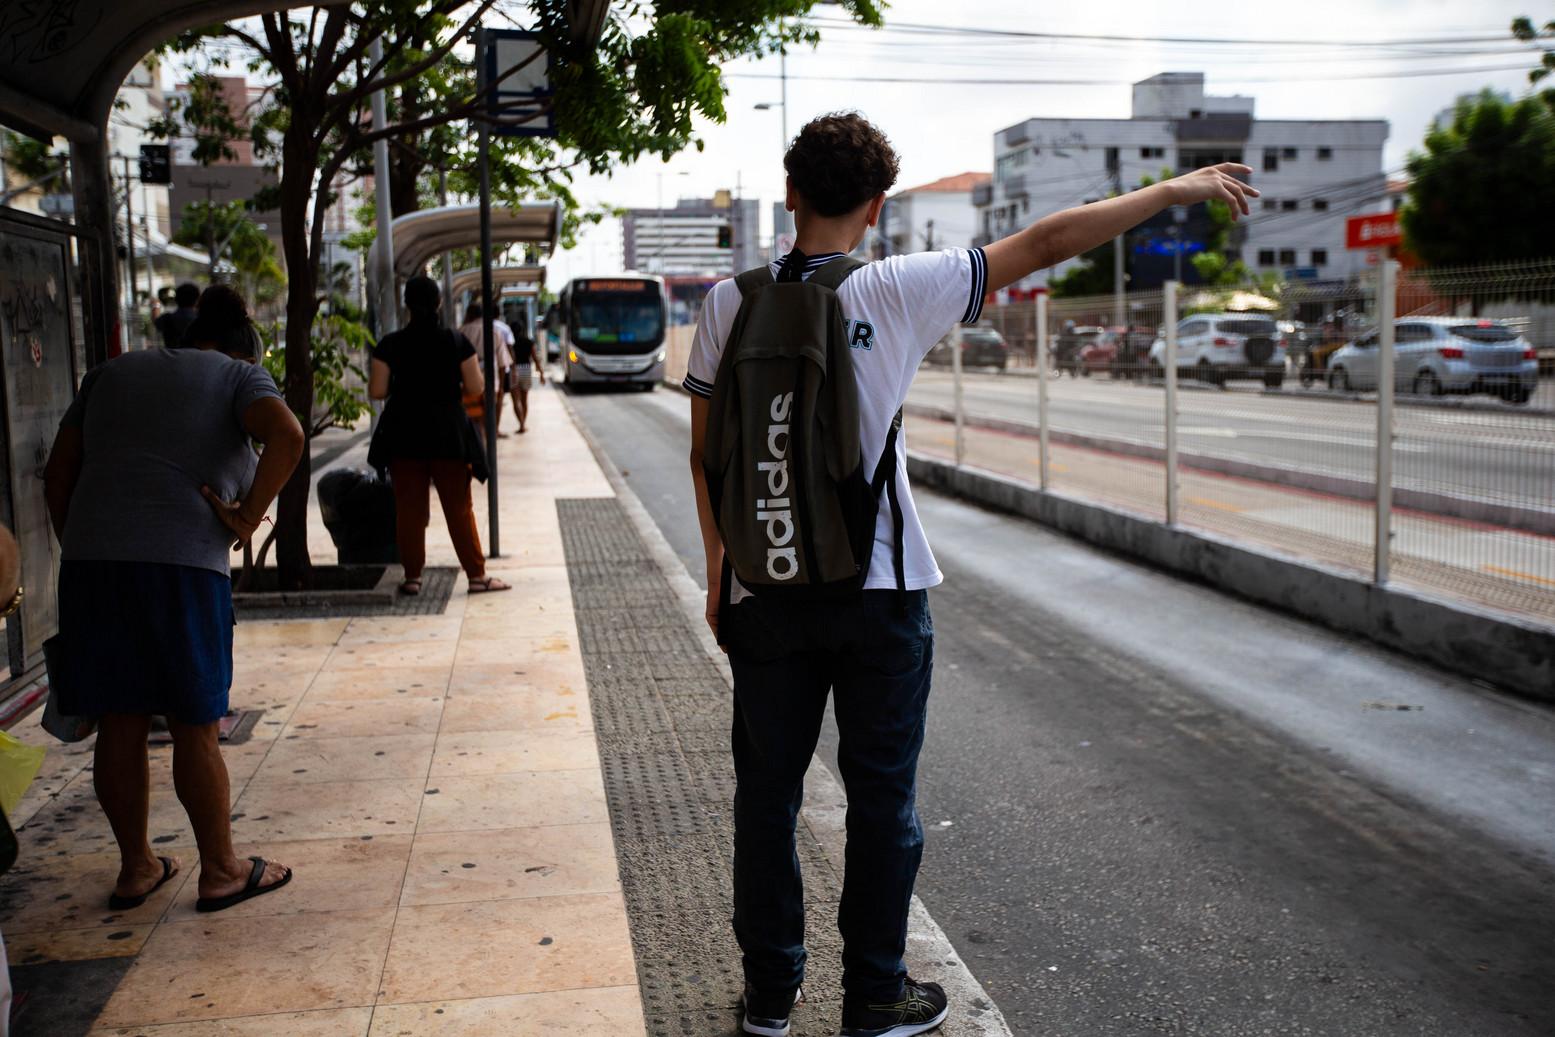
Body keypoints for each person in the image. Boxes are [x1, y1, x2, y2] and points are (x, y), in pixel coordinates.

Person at [685, 112, 1256, 1037]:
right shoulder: (905, 286)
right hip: (881, 593)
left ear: (790, 194)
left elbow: (707, 456)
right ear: (875, 209)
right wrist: (1173, 191)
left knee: (767, 796)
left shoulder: (727, 301)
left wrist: (721, 579)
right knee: (881, 800)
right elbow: (1047, 237)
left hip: (765, 595)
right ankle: (874, 995)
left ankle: (768, 996)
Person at [42, 284, 307, 914]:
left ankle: (137, 868)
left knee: (121, 717)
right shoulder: (242, 376)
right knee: (195, 724)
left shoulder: (108, 374)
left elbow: (59, 472)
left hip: (93, 565)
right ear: (243, 348)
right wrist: (247, 514)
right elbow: (289, 437)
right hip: (182, 569)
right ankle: (220, 870)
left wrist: (83, 543)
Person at [369, 276, 510, 596]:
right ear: (439, 303)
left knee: (409, 509)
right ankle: (476, 576)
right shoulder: (455, 341)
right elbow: (475, 387)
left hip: (404, 434)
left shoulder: (389, 345)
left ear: (406, 305)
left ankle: (413, 578)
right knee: (459, 507)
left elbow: (377, 390)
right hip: (448, 434)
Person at [459, 302, 515, 438]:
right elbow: (503, 363)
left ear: (469, 314)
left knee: (474, 422)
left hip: (468, 385)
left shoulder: (462, 331)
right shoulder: (494, 331)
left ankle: (480, 447)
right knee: (488, 418)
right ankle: (489, 441)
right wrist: (501, 387)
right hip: (491, 384)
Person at [506, 317, 546, 434]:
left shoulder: (509, 344)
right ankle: (523, 424)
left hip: (513, 371)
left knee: (515, 401)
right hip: (526, 370)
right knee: (524, 400)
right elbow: (535, 358)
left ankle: (521, 424)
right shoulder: (529, 342)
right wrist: (541, 374)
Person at [153, 282, 200, 349]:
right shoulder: (201, 319)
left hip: (171, 358)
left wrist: (156, 305)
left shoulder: (167, 319)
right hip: (196, 358)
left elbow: (156, 321)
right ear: (197, 300)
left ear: (176, 299)